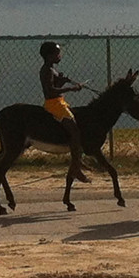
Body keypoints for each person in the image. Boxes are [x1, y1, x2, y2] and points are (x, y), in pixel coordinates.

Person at [39, 41, 89, 183]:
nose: (60, 56)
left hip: (59, 102)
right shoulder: (47, 70)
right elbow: (50, 91)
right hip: (53, 104)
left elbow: (55, 85)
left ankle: (77, 161)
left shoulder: (51, 69)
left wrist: (62, 81)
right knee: (75, 130)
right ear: (49, 56)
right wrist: (71, 89)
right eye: (57, 53)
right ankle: (76, 166)